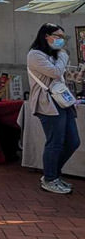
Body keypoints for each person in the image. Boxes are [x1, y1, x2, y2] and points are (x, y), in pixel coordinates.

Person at [27, 24, 79, 194]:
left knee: (73, 141)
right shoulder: (35, 55)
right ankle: (49, 178)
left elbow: (61, 75)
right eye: (58, 36)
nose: (61, 41)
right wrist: (64, 55)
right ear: (46, 36)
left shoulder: (55, 55)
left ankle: (53, 174)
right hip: (47, 103)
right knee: (55, 142)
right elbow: (56, 73)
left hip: (63, 101)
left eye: (63, 37)